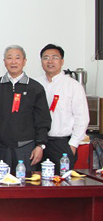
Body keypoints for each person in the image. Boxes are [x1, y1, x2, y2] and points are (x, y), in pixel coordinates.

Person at [0, 45, 51, 171]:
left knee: (26, 182)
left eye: (17, 58)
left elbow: (43, 120)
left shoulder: (35, 88)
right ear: (4, 62)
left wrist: (40, 145)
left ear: (24, 61)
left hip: (26, 148)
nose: (13, 62)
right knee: (0, 182)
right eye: (9, 58)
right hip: (0, 148)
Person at [38, 44, 89, 172]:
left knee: (62, 181)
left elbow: (82, 118)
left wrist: (73, 144)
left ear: (62, 61)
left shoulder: (73, 86)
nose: (50, 61)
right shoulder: (36, 84)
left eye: (54, 57)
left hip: (62, 144)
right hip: (38, 144)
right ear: (41, 61)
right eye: (46, 58)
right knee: (37, 180)